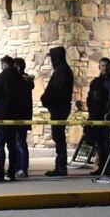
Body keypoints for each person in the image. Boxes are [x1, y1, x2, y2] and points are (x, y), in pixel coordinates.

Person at [0, 55, 29, 181]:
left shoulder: (1, 77)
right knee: (12, 145)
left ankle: (0, 171)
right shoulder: (20, 79)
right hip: (15, 116)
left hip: (1, 116)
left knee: (0, 144)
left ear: (4, 65)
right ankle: (11, 172)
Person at [41, 46, 74, 177]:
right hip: (60, 107)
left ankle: (61, 167)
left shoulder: (61, 71)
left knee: (58, 136)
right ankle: (60, 166)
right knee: (58, 136)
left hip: (59, 108)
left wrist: (47, 100)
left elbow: (56, 91)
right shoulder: (63, 70)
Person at [84, 58, 110, 171]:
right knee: (99, 143)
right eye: (102, 65)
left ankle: (105, 167)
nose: (104, 68)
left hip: (106, 115)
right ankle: (101, 167)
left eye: (106, 65)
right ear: (99, 67)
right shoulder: (96, 82)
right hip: (96, 114)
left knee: (105, 142)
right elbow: (90, 99)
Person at [11, 56, 32, 177]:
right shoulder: (24, 80)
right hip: (21, 115)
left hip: (20, 115)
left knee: (19, 142)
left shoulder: (22, 80)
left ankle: (22, 168)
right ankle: (18, 167)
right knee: (17, 142)